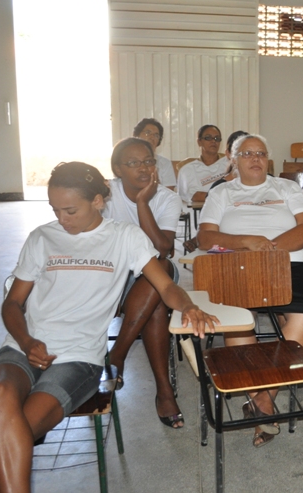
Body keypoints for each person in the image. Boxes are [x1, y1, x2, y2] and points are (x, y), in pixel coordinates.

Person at [0, 162, 219, 492]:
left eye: (70, 210)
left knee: (13, 430)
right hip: (22, 347)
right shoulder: (42, 237)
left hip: (79, 357)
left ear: (97, 201)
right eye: (55, 210)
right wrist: (25, 340)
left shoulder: (123, 237)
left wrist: (189, 306)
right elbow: (12, 303)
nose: (62, 220)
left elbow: (165, 286)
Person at [197, 134, 303, 448]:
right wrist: (248, 243)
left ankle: (262, 399)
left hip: (290, 264)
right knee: (239, 319)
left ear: (269, 159)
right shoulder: (222, 192)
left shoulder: (287, 188)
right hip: (237, 265)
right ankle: (265, 401)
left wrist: (271, 250)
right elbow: (206, 238)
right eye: (247, 153)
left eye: (261, 153)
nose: (255, 158)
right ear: (233, 159)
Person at [102, 137, 186, 428]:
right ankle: (164, 392)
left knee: (157, 269)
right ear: (117, 169)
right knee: (156, 309)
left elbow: (162, 248)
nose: (143, 168)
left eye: (148, 161)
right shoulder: (104, 195)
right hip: (111, 275)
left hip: (156, 272)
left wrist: (141, 203)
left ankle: (118, 355)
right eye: (133, 163)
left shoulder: (166, 198)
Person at [176, 124, 230, 204]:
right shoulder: (187, 170)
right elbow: (196, 197)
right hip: (198, 213)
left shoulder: (230, 164)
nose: (213, 141)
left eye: (217, 138)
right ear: (199, 142)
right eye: (208, 138)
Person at [134, 118, 176, 189]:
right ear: (136, 135)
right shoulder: (127, 160)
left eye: (156, 135)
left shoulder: (165, 163)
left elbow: (169, 192)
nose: (152, 137)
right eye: (148, 133)